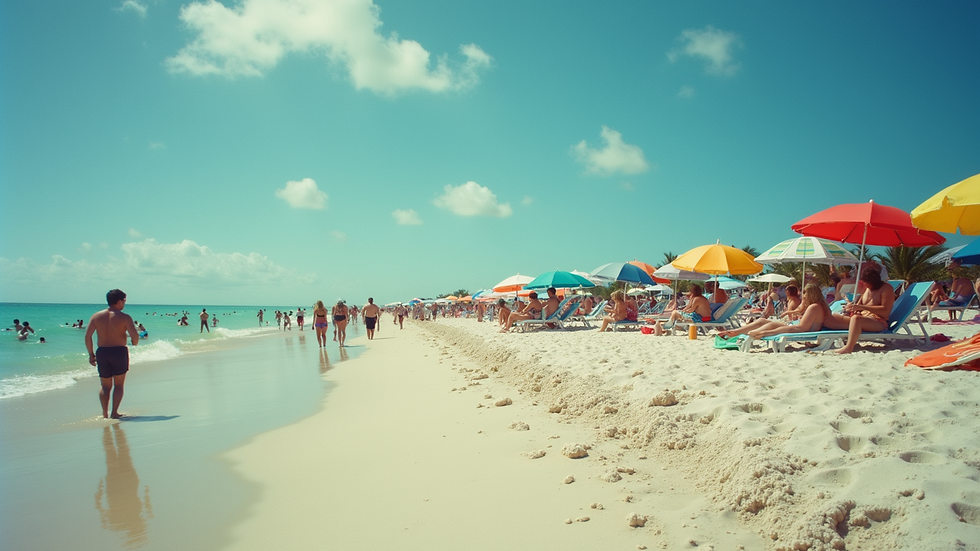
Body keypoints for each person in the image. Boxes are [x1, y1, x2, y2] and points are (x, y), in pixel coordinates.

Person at [85, 289, 140, 419]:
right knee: (119, 385)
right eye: (124, 301)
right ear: (120, 301)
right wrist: (133, 342)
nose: (124, 304)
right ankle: (114, 412)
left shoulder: (96, 316)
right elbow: (135, 337)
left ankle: (104, 414)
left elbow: (88, 337)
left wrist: (91, 354)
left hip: (102, 352)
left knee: (105, 386)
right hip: (119, 352)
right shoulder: (125, 317)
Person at [719, 284, 834, 340]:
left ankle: (745, 334)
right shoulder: (816, 306)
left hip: (801, 331)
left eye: (804, 293)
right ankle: (735, 332)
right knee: (763, 320)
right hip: (796, 327)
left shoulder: (814, 307)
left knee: (769, 325)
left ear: (811, 294)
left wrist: (767, 333)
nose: (802, 296)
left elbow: (801, 329)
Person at [834, 265, 895, 355]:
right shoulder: (867, 289)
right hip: (863, 317)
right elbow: (858, 305)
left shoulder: (886, 289)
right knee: (834, 316)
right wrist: (852, 308)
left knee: (856, 319)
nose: (864, 284)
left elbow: (885, 312)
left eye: (866, 282)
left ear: (873, 281)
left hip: (878, 321)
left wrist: (862, 308)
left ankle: (849, 347)